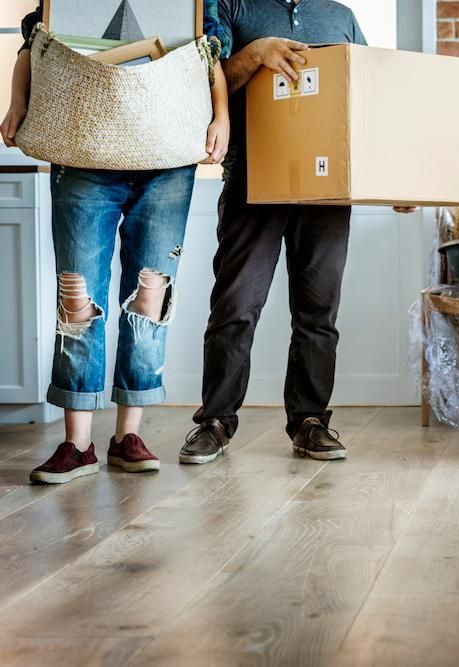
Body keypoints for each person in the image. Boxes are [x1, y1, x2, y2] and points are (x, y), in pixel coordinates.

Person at [3, 3, 231, 484]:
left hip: (167, 160)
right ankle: (77, 444)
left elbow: (208, 59)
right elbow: (34, 47)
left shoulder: (190, 5)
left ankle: (129, 436)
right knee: (77, 297)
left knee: (150, 299)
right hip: (83, 152)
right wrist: (17, 104)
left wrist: (221, 117)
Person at [181, 0, 415, 465]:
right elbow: (202, 83)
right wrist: (256, 53)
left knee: (318, 314)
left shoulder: (341, 17)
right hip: (253, 181)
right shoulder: (231, 5)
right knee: (235, 307)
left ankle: (310, 422)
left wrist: (396, 176)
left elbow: (368, 100)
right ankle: (215, 421)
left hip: (328, 190)